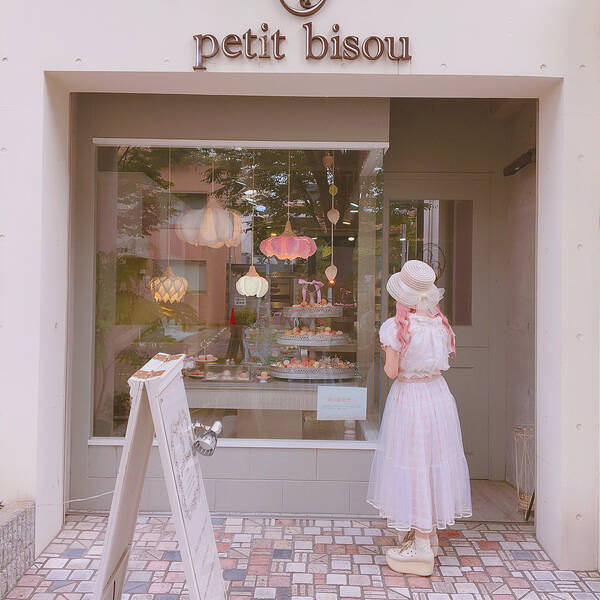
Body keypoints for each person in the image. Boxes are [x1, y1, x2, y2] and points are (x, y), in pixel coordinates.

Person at [367, 260, 472, 576]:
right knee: (432, 464)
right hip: (438, 396)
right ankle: (430, 536)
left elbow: (392, 371)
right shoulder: (439, 324)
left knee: (413, 466)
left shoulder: (395, 328)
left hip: (410, 398)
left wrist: (386, 349)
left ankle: (421, 545)